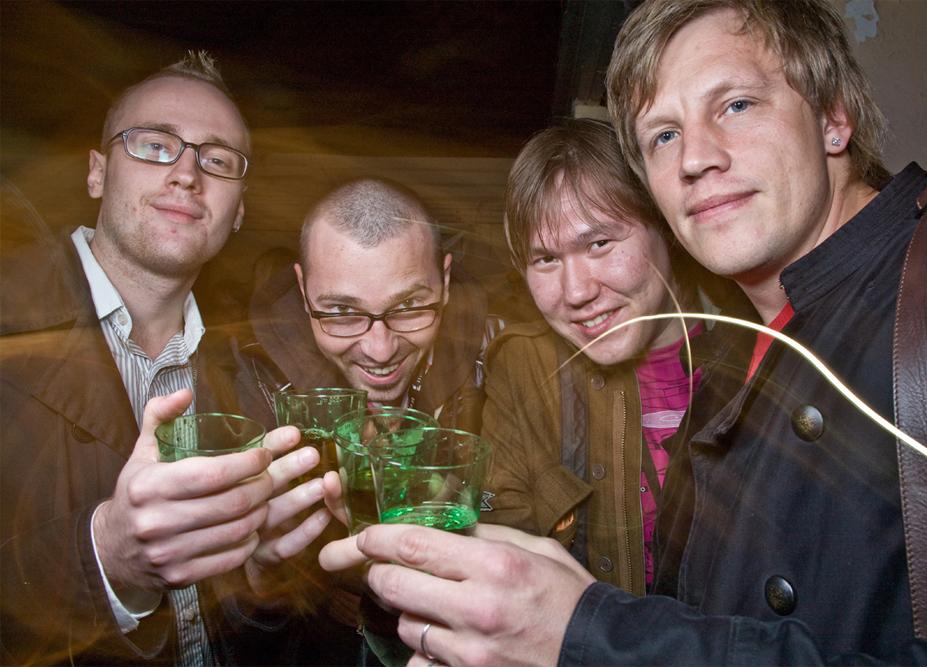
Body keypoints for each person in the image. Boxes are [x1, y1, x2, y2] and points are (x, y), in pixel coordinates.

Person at [318, 1, 927, 665]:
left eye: (736, 104)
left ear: (833, 116)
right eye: (663, 135)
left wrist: (588, 635)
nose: (695, 157)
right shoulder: (737, 359)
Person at [0, 52, 331, 665]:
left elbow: (245, 630)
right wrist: (105, 559)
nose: (186, 174)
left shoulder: (254, 368)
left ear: (239, 210)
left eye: (218, 160)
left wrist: (262, 583)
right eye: (155, 145)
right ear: (97, 173)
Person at [478, 119, 713, 595]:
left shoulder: (761, 349)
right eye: (546, 259)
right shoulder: (523, 368)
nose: (576, 292)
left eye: (599, 243)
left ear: (664, 228)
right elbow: (505, 552)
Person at [235, 177, 503, 433]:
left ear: (444, 282)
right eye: (343, 310)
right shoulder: (250, 376)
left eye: (408, 304)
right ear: (304, 291)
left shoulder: (503, 357)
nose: (381, 352)